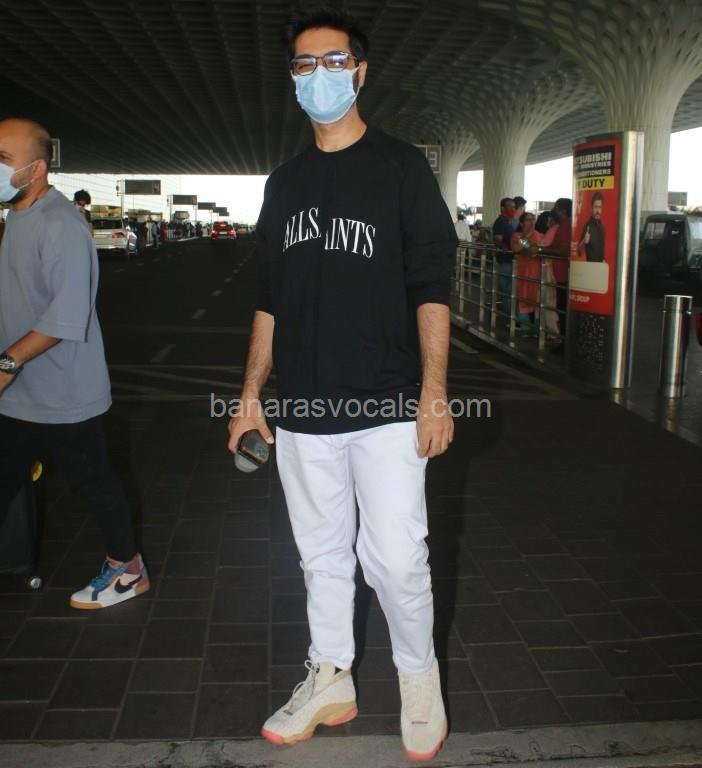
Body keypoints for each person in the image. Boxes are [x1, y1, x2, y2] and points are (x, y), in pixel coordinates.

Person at [226, 8, 455, 761]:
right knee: (320, 556)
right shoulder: (284, 184)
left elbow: (431, 285)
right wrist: (251, 396)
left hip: (387, 401)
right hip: (301, 409)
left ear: (359, 71)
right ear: (293, 79)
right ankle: (331, 678)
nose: (318, 75)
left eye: (332, 62)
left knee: (396, 558)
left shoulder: (401, 169)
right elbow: (268, 300)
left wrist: (433, 392)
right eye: (303, 65)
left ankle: (418, 678)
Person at [0, 118, 148, 609]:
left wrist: (5, 364)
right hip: (20, 392)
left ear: (36, 168)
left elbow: (64, 317)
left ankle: (128, 571)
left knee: (95, 483)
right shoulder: (17, 216)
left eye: (3, 159)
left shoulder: (60, 223)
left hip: (65, 393)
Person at [540, 197, 572, 348]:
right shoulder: (564, 225)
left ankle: (563, 342)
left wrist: (541, 250)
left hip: (562, 273)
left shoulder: (565, 226)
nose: (553, 211)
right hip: (562, 273)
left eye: (556, 208)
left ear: (562, 210)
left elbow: (562, 250)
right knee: (561, 307)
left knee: (562, 307)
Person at [510, 212, 543, 333]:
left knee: (537, 298)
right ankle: (525, 325)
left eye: (533, 219)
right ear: (521, 223)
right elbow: (517, 249)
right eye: (528, 220)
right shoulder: (516, 235)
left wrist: (528, 247)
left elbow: (535, 252)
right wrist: (527, 237)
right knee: (522, 297)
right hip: (522, 271)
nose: (532, 222)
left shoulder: (539, 235)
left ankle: (537, 327)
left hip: (537, 271)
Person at [492, 197, 516, 314]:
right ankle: (508, 313)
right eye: (511, 207)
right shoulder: (501, 222)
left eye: (514, 207)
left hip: (507, 260)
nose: (513, 209)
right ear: (502, 208)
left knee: (508, 289)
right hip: (505, 260)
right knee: (508, 290)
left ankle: (508, 312)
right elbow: (498, 240)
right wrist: (509, 249)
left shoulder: (507, 222)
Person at [577, 191, 605, 262]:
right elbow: (579, 251)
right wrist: (584, 241)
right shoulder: (588, 226)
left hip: (600, 266)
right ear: (592, 207)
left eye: (599, 207)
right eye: (596, 207)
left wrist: (603, 260)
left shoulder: (602, 227)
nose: (598, 210)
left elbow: (601, 250)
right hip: (590, 266)